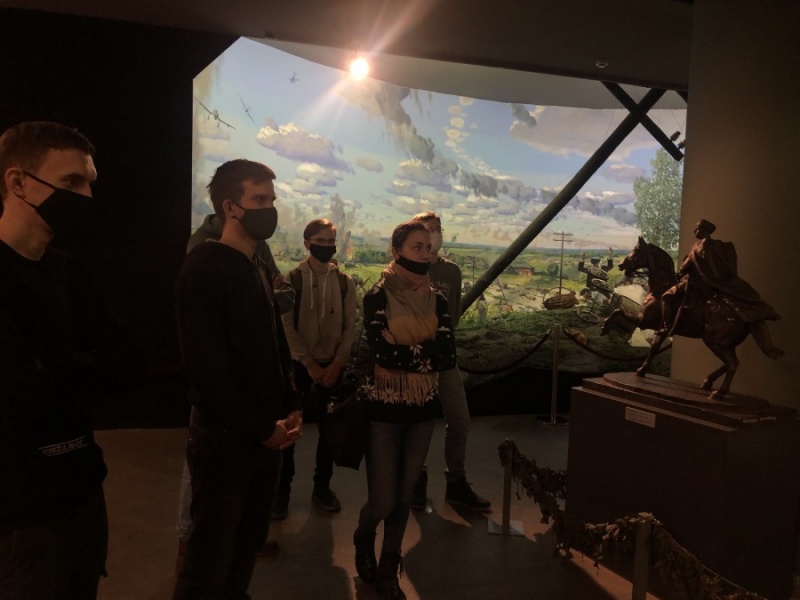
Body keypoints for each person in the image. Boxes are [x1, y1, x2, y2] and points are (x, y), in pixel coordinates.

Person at [0, 121, 139, 598]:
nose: (86, 197)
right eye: (71, 182)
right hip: (19, 514)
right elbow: (20, 395)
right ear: (18, 182)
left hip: (82, 493)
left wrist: (57, 367)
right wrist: (78, 368)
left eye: (88, 183)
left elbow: (127, 364)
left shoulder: (69, 272)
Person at [173, 159, 303, 599]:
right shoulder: (203, 269)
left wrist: (291, 403)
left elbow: (273, 344)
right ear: (231, 207)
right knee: (208, 564)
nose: (270, 209)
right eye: (259, 199)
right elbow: (206, 370)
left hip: (264, 439)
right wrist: (261, 427)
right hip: (225, 442)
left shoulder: (255, 266)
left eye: (272, 199)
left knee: (245, 550)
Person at [353, 221, 456, 600]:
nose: (426, 254)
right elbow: (382, 354)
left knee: (404, 495)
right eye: (417, 247)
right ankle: (364, 534)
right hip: (384, 410)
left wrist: (404, 352)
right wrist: (424, 352)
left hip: (423, 409)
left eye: (429, 247)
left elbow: (447, 356)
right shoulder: (377, 295)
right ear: (396, 251)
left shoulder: (438, 300)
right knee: (383, 499)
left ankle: (388, 567)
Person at [275, 218, 357, 518]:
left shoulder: (345, 282)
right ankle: (281, 494)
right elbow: (286, 326)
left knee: (329, 432)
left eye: (330, 241)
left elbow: (350, 327)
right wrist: (308, 363)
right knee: (290, 429)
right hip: (298, 367)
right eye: (320, 241)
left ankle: (322, 487)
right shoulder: (291, 280)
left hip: (333, 366)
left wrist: (337, 363)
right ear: (307, 243)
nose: (326, 246)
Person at [409, 211, 491, 512]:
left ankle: (456, 481)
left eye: (438, 229)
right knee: (418, 422)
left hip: (444, 357)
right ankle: (414, 479)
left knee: (459, 419)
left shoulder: (451, 272)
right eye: (428, 229)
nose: (434, 234)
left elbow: (452, 315)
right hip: (414, 359)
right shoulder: (403, 271)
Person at [661, 218, 780, 334]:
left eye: (697, 229)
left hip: (696, 283)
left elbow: (685, 267)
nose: (694, 231)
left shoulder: (698, 246)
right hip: (715, 283)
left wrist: (680, 272)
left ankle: (666, 327)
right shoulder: (717, 246)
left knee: (666, 297)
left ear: (704, 230)